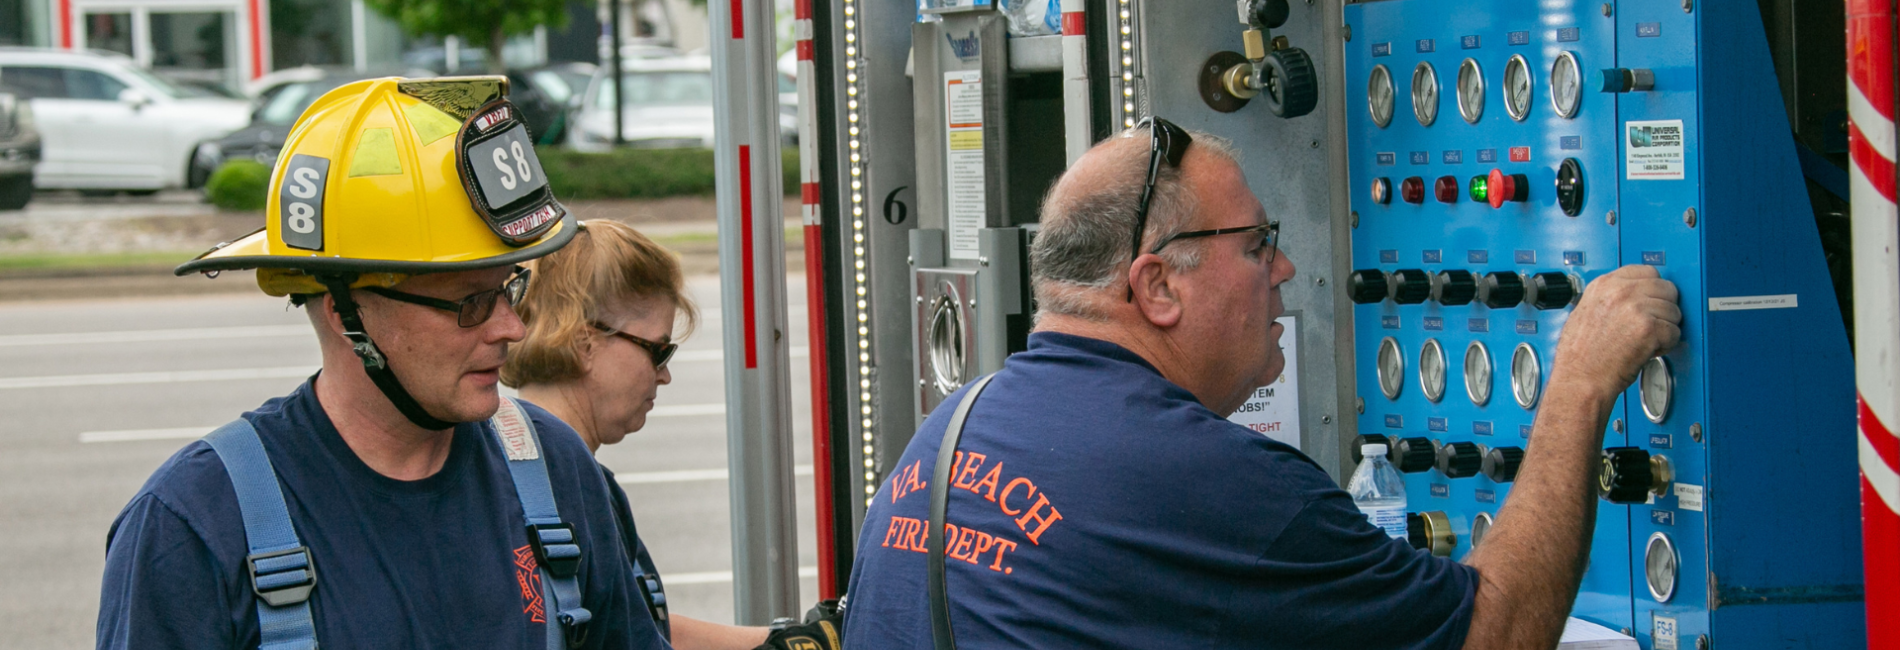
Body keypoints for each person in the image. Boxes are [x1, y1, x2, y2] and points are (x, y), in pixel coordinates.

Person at [838, 118, 1682, 649]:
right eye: (1256, 244)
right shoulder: (1221, 486)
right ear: (1157, 287)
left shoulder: (947, 431)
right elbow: (1494, 634)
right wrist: (1577, 384)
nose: (1283, 268)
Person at [97, 78, 668, 649]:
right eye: (471, 302)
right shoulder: (193, 524)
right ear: (348, 313)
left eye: (508, 288)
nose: (512, 328)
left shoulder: (556, 471)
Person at [503, 219, 843, 650]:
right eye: (658, 350)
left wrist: (779, 642)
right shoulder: (573, 485)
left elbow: (629, 623)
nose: (664, 375)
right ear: (584, 343)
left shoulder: (518, 467)